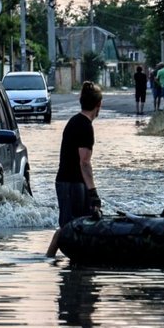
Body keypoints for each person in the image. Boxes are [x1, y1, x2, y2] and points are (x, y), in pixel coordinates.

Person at [46, 82, 104, 257]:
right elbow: (84, 162)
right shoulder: (85, 126)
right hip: (71, 183)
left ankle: (71, 261)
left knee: (78, 224)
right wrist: (93, 192)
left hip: (68, 181)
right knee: (69, 227)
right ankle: (48, 258)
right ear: (98, 105)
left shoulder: (74, 121)